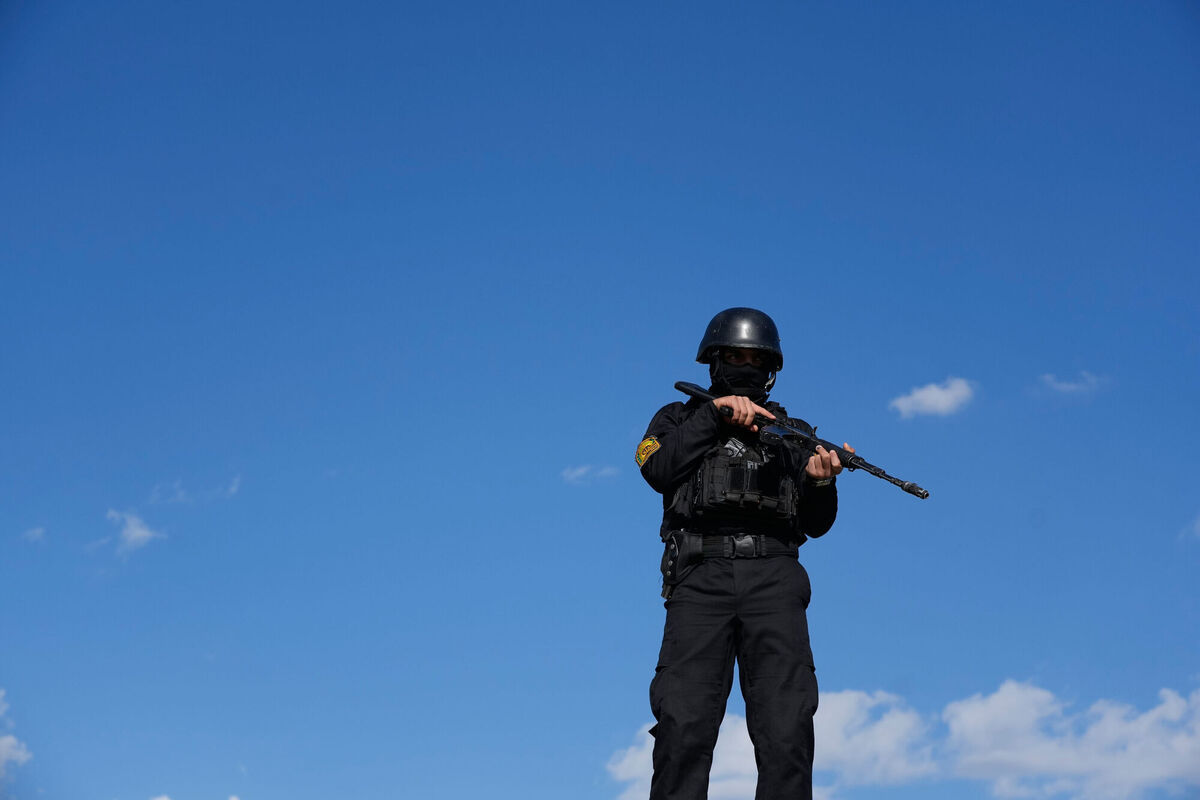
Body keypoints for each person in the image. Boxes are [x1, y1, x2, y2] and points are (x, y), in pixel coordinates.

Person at [634, 307, 851, 800]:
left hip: (774, 579)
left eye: (755, 358)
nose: (745, 364)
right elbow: (658, 469)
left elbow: (816, 525)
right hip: (699, 576)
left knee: (787, 726)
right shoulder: (677, 418)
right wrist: (714, 416)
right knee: (682, 724)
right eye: (735, 355)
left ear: (770, 368)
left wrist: (820, 482)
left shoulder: (794, 432)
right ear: (714, 360)